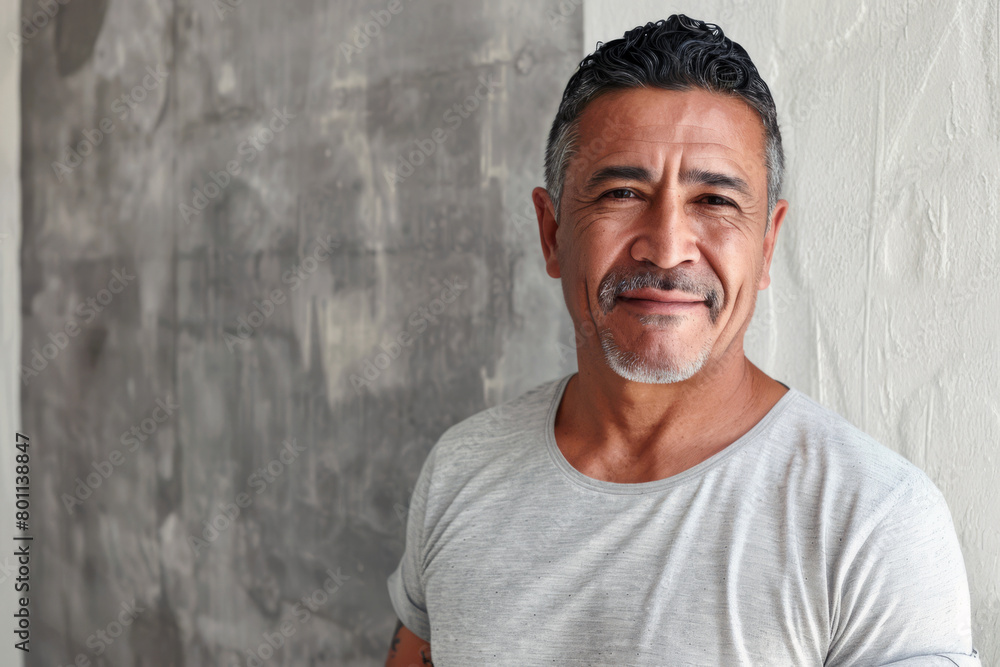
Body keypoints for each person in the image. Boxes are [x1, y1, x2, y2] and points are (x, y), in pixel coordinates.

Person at [384, 15, 982, 666]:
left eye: (715, 200)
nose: (667, 246)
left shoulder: (872, 521)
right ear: (552, 233)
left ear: (767, 242)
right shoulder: (461, 472)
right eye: (621, 192)